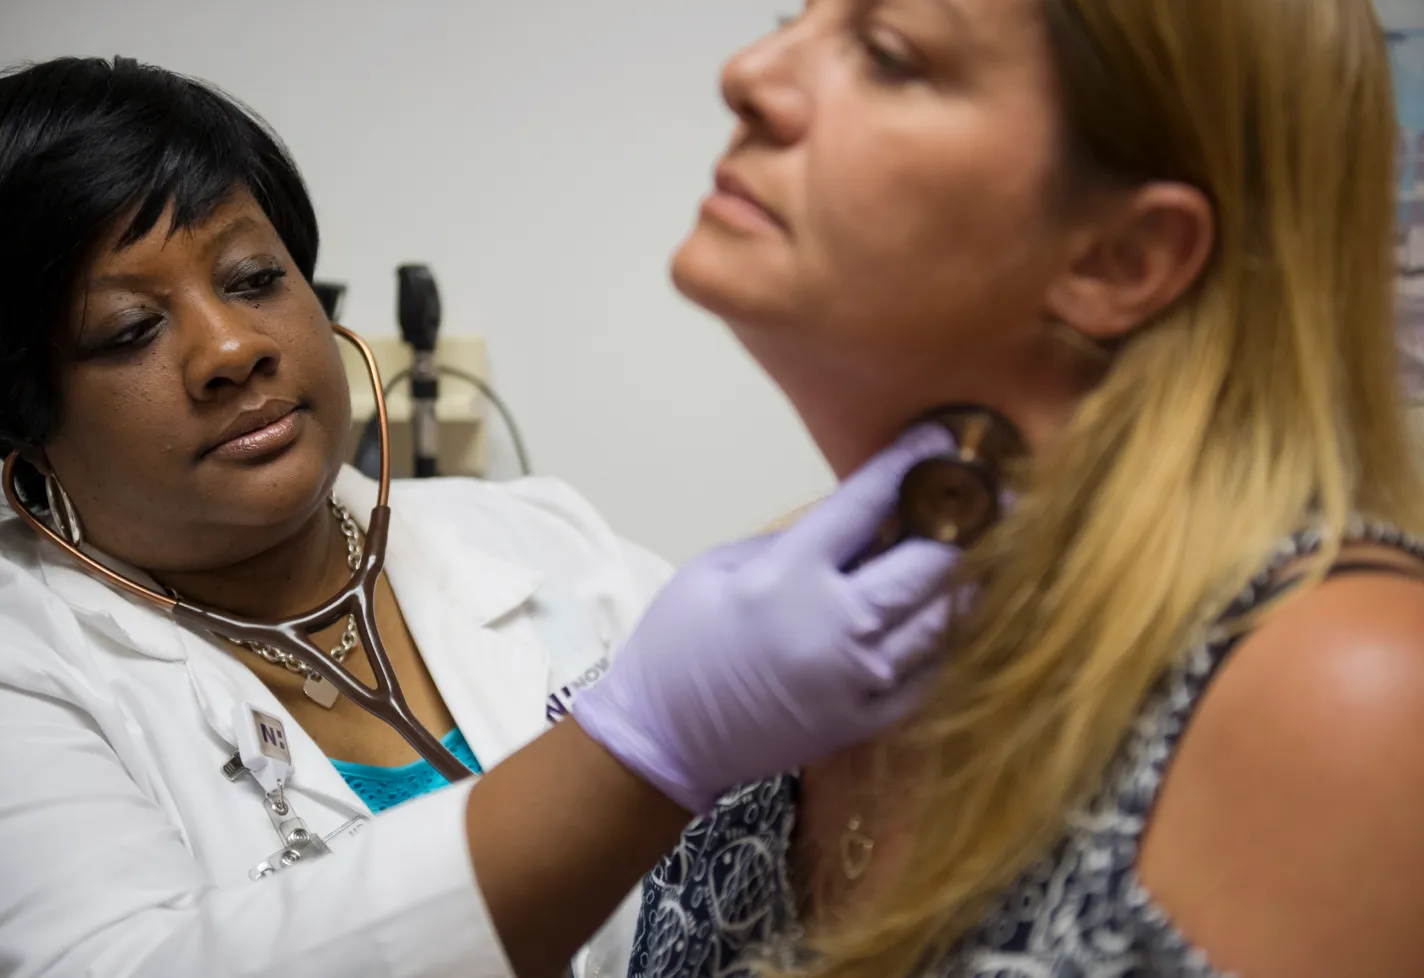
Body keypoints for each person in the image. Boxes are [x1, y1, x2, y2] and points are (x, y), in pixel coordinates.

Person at [0, 57, 962, 978]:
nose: (232, 348)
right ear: (22, 419)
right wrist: (637, 750)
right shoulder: (28, 671)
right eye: (129, 330)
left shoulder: (539, 538)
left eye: (254, 278)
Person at [629, 1, 1424, 977]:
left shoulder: (1344, 692)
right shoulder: (795, 644)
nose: (747, 73)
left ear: (1118, 259)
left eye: (886, 53)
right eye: (794, 15)